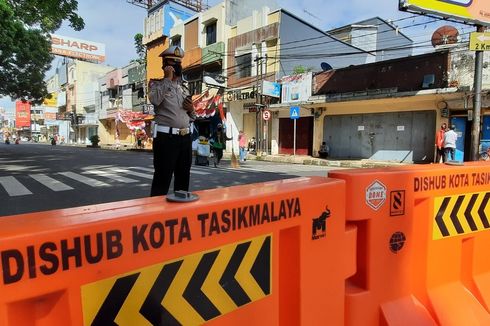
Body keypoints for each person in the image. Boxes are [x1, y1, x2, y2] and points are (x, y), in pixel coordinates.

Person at [149, 45, 195, 196]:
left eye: (178, 64)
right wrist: (167, 79)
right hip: (166, 139)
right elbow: (155, 100)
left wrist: (191, 110)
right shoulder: (156, 84)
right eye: (173, 65)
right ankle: (156, 213)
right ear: (165, 66)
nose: (177, 67)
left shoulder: (184, 88)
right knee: (162, 179)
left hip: (185, 138)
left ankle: (179, 213)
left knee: (183, 179)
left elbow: (192, 117)